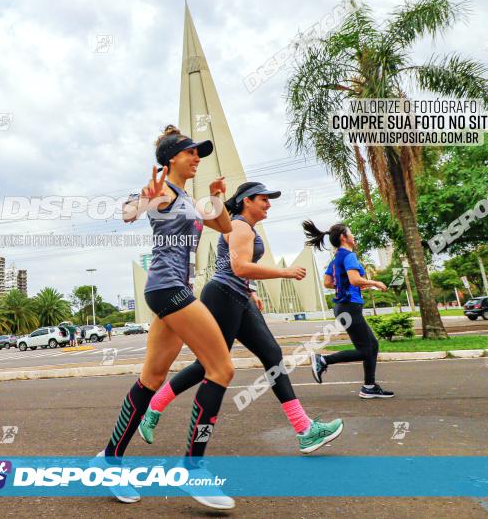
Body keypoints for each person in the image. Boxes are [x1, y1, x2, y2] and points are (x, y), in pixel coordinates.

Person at [137, 182, 343, 453]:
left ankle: (304, 429)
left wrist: (251, 291)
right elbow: (239, 266)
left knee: (272, 354)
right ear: (247, 201)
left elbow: (239, 269)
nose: (268, 204)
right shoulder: (240, 226)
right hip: (223, 294)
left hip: (237, 295)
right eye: (263, 199)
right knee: (209, 366)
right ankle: (152, 410)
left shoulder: (245, 227)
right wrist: (285, 272)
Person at [98, 125, 234, 510]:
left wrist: (216, 196)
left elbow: (223, 227)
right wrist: (142, 202)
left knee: (152, 379)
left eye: (199, 154)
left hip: (172, 292)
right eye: (191, 152)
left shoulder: (188, 199)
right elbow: (128, 213)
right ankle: (193, 468)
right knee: (221, 368)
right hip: (167, 289)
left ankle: (109, 459)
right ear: (171, 157)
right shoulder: (162, 193)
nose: (197, 159)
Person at [302, 222, 393, 398]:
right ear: (344, 238)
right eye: (351, 234)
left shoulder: (336, 258)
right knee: (365, 350)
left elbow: (328, 282)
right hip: (350, 308)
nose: (354, 237)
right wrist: (374, 283)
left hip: (343, 307)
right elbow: (353, 279)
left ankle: (369, 386)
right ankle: (323, 360)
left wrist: (347, 285)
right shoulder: (349, 256)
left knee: (372, 345)